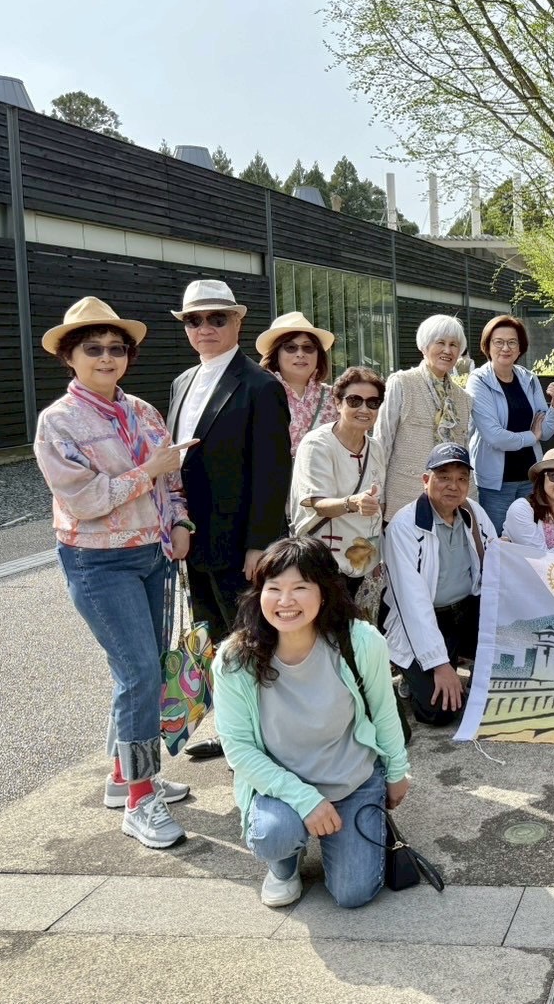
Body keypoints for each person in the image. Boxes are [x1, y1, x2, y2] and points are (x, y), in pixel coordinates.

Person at [33, 298, 195, 849]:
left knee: (145, 670)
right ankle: (139, 799)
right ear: (69, 357)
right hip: (98, 559)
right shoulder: (57, 421)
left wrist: (180, 520)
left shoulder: (144, 411)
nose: (107, 357)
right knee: (139, 674)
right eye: (93, 348)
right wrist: (148, 471)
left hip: (153, 554)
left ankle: (126, 775)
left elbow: (171, 480)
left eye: (116, 348)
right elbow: (83, 500)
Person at [215, 537, 410, 910]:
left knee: (354, 893)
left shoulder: (359, 641)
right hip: (280, 788)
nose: (285, 601)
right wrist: (306, 801)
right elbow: (238, 749)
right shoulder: (235, 659)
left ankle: (344, 828)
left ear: (324, 593)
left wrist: (397, 771)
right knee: (275, 834)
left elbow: (384, 711)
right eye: (274, 588)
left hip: (351, 779)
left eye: (300, 588)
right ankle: (285, 864)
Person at [168, 279, 292, 761]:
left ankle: (269, 739)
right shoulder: (182, 382)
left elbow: (272, 471)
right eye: (194, 320)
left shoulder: (261, 385)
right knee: (215, 642)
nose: (205, 328)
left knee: (253, 641)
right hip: (192, 541)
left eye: (216, 318)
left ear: (238, 321)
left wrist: (260, 543)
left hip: (241, 543)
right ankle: (233, 731)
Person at [382, 442, 498, 727]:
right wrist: (440, 664)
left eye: (461, 479)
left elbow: (496, 563)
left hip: (466, 612)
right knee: (439, 711)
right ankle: (414, 672)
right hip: (424, 618)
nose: (453, 486)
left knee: (504, 683)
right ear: (426, 480)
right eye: (444, 477)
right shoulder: (404, 526)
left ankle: (459, 662)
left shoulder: (473, 513)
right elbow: (413, 604)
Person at [289, 367, 386, 598]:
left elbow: (378, 506)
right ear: (338, 402)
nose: (364, 409)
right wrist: (352, 503)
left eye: (373, 403)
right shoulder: (317, 444)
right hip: (323, 562)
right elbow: (317, 503)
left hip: (363, 564)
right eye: (354, 401)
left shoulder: (376, 448)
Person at [467, 315, 554, 529]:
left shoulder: (529, 378)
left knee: (530, 540)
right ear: (487, 346)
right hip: (496, 484)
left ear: (520, 348)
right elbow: (494, 436)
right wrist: (530, 437)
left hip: (530, 479)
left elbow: (545, 432)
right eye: (498, 342)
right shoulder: (478, 380)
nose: (505, 348)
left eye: (512, 342)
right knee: (496, 541)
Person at [375, 314, 473, 524]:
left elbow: (464, 453)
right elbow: (382, 442)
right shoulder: (402, 383)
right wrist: (378, 496)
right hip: (403, 496)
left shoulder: (464, 399)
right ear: (424, 346)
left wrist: (469, 500)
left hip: (447, 504)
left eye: (454, 345)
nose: (447, 350)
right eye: (440, 343)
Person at [256, 312, 339, 457]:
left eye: (308, 347)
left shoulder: (336, 397)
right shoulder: (258, 395)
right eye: (290, 347)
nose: (300, 354)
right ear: (276, 354)